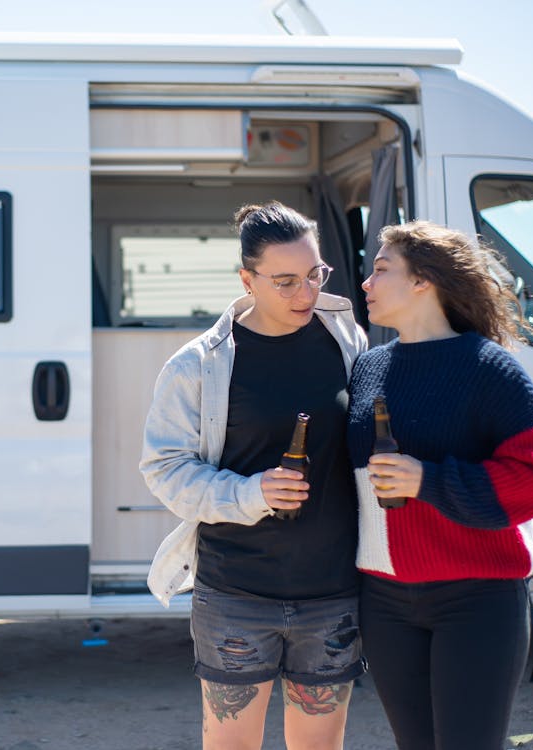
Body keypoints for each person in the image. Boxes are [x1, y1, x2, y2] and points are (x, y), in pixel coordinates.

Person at [141, 201, 368, 750]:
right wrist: (251, 492)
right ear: (247, 279)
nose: (305, 294)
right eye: (285, 281)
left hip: (333, 592)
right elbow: (164, 469)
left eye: (315, 275)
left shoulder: (348, 342)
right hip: (235, 594)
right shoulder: (199, 363)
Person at [348, 220, 533, 750]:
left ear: (424, 280)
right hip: (384, 602)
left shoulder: (491, 370)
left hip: (478, 600)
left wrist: (430, 480)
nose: (366, 284)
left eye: (380, 270)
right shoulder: (366, 370)